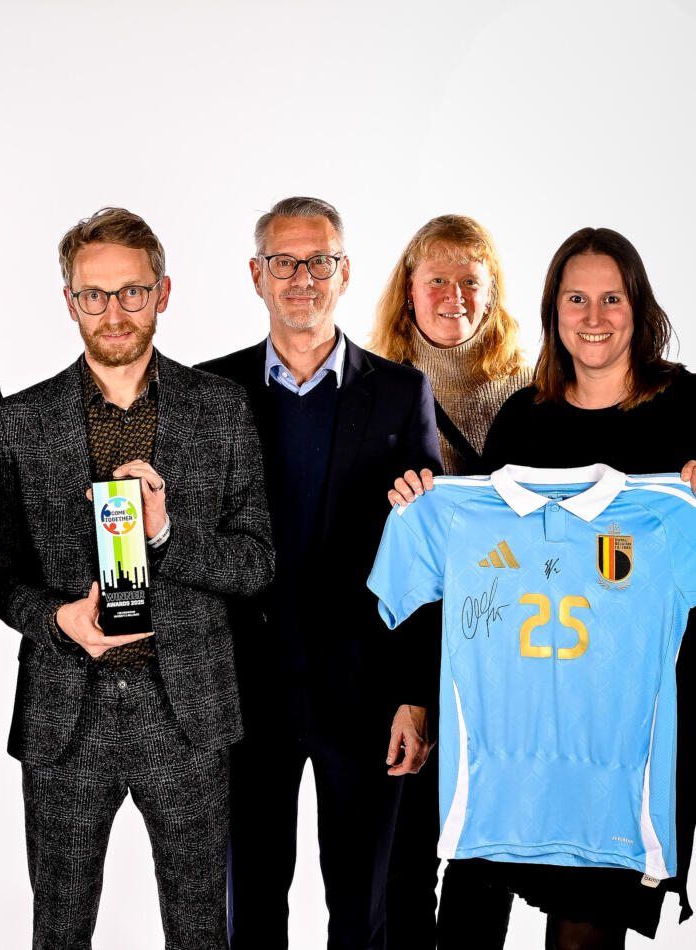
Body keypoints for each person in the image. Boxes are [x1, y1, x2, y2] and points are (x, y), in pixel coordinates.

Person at [388, 226, 696, 948]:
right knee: (467, 912)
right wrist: (419, 513)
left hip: (627, 728)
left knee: (585, 928)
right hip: (516, 720)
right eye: (575, 299)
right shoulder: (525, 421)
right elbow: (473, 579)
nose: (594, 316)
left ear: (638, 306)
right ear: (553, 311)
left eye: (610, 298)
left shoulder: (687, 407)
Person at [0, 206, 273, 949]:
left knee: (201, 929)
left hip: (186, 714)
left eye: (132, 292)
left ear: (164, 293)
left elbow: (255, 562)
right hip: (65, 713)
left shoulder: (220, 410)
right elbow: (1, 577)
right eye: (94, 295)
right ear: (69, 301)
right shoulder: (18, 421)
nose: (113, 312)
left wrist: (166, 536)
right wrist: (55, 620)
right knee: (58, 931)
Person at [197, 196, 441, 949]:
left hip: (364, 697)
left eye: (318, 261)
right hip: (245, 698)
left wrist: (414, 695)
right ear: (256, 275)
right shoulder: (208, 395)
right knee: (252, 911)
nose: (301, 276)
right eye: (283, 261)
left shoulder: (401, 393)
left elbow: (424, 562)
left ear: (343, 274)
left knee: (360, 913)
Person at [369, 214, 530, 946]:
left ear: (492, 291)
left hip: (505, 651)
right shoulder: (370, 391)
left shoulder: (534, 397)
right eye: (436, 279)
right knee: (401, 857)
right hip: (406, 645)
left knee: (484, 853)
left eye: (470, 280)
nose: (453, 296)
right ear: (409, 290)